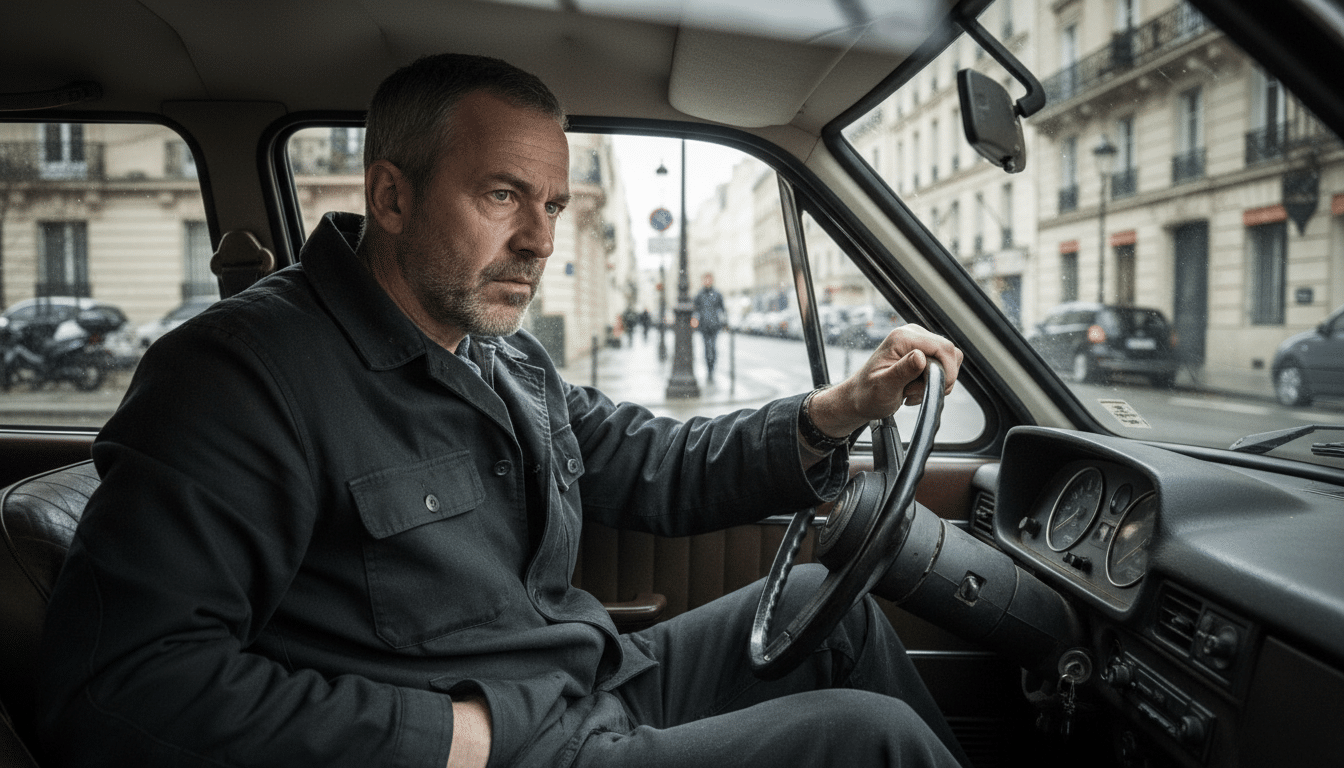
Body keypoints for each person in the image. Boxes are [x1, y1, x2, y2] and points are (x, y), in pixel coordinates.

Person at [36, 54, 967, 768]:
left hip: (594, 684)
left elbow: (656, 463)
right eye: (502, 196)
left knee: (822, 606)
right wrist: (453, 738)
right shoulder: (237, 377)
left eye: (554, 205)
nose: (539, 241)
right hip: (514, 748)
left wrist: (840, 408)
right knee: (865, 739)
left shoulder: (500, 352)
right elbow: (117, 688)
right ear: (390, 196)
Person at [691, 272, 727, 381]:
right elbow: (695, 309)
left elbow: (722, 309)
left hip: (715, 326)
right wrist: (695, 320)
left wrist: (724, 321)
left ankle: (712, 367)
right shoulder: (699, 294)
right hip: (704, 326)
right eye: (705, 279)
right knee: (707, 348)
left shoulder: (717, 294)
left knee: (713, 348)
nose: (707, 282)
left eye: (709, 279)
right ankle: (709, 368)